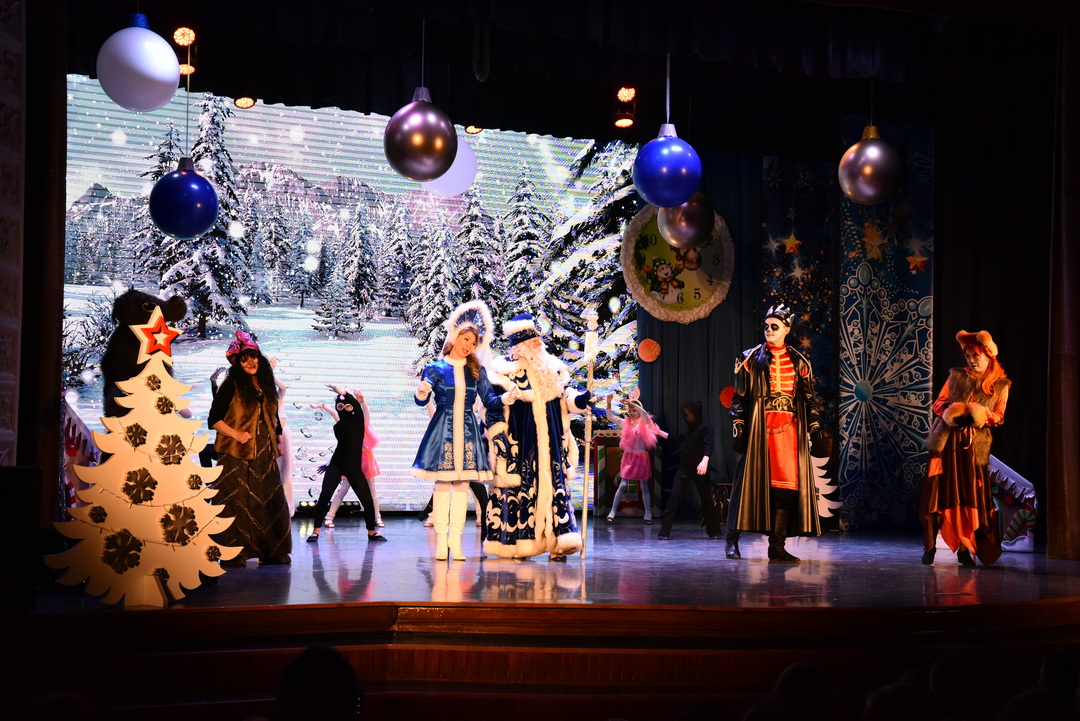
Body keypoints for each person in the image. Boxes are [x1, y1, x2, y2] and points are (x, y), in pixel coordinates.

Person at [726, 303, 829, 563]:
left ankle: (777, 546)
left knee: (786, 490)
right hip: (759, 433)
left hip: (788, 434)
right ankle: (731, 540)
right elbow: (740, 399)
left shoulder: (799, 361)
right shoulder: (749, 359)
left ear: (787, 329)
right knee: (747, 487)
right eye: (766, 326)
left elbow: (809, 400)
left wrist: (815, 429)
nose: (769, 330)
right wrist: (739, 428)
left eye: (775, 326)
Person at [412, 300, 514, 561]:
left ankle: (455, 542)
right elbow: (421, 400)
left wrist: (506, 398)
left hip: (468, 432)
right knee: (442, 484)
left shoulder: (476, 370)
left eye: (473, 342)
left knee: (461, 485)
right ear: (455, 337)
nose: (469, 345)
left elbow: (489, 400)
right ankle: (441, 541)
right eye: (465, 339)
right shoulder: (435, 368)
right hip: (442, 430)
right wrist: (421, 393)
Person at [484, 312, 591, 560]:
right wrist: (499, 439)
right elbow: (492, 408)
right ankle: (518, 544)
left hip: (552, 443)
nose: (539, 344)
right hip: (520, 442)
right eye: (533, 341)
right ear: (519, 345)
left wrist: (581, 400)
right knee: (522, 489)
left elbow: (566, 398)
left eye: (538, 339)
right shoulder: (503, 371)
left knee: (554, 487)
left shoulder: (552, 367)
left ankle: (559, 542)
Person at [920, 330, 1009, 566]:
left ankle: (964, 548)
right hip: (946, 444)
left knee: (969, 496)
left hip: (973, 449)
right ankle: (930, 546)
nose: (971, 360)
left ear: (988, 355)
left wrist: (981, 415)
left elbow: (999, 416)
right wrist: (953, 412)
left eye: (976, 356)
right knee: (939, 494)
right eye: (968, 356)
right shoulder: (956, 377)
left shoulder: (1000, 385)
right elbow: (938, 404)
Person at [208, 329, 292, 566]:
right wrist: (236, 434)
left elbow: (273, 416)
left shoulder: (265, 384)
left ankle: (271, 551)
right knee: (236, 502)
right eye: (244, 359)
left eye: (253, 357)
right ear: (237, 364)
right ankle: (232, 552)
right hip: (236, 453)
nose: (250, 363)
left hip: (264, 452)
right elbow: (214, 419)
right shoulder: (231, 384)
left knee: (268, 501)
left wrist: (277, 439)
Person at [307, 385, 386, 543]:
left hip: (354, 468)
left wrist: (344, 393)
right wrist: (325, 406)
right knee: (324, 496)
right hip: (337, 464)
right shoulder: (339, 423)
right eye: (341, 407)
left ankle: (372, 532)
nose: (345, 409)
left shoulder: (358, 422)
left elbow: (356, 405)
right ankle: (316, 532)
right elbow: (335, 413)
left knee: (367, 500)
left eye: (348, 406)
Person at [657, 399, 719, 540]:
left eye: (690, 413)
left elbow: (709, 444)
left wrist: (705, 461)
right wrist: (659, 432)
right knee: (673, 498)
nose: (688, 417)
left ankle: (714, 531)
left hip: (700, 469)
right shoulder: (691, 428)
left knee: (706, 499)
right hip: (684, 468)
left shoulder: (705, 427)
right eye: (686, 414)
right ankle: (664, 532)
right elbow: (678, 439)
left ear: (696, 413)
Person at [605, 395, 668, 524]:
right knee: (623, 484)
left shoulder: (645, 422)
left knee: (644, 485)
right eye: (630, 410)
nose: (632, 412)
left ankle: (648, 514)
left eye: (634, 410)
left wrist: (632, 404)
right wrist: (609, 404)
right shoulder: (626, 422)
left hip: (642, 457)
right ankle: (612, 512)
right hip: (629, 457)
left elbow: (644, 413)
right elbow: (611, 417)